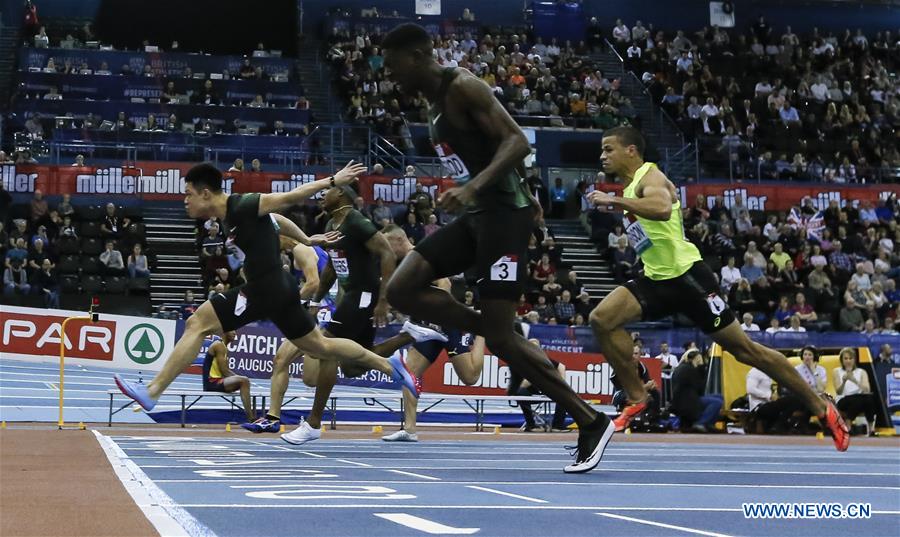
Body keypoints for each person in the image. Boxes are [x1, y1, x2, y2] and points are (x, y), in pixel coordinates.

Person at [381, 23, 613, 473]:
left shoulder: (462, 85)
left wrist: (475, 190)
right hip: (480, 215)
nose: (390, 76)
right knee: (403, 287)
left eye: (393, 66)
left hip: (502, 215)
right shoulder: (432, 103)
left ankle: (591, 420)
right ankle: (488, 326)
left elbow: (516, 141)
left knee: (503, 337)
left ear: (415, 56)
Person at [585, 125, 849, 451]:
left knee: (746, 350)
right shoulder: (628, 188)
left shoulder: (649, 176)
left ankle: (821, 407)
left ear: (631, 150)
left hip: (689, 280)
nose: (602, 155)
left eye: (608, 149)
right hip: (656, 280)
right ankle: (637, 396)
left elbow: (663, 207)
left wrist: (613, 200)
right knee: (601, 319)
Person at [113, 162, 419, 412]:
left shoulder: (242, 204)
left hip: (265, 288)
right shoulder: (230, 217)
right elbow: (276, 220)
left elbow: (286, 199)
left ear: (205, 193)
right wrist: (307, 239)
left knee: (197, 323)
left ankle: (153, 391)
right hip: (278, 289)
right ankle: (390, 365)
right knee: (321, 346)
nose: (185, 200)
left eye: (188, 194)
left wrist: (331, 180)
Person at [276, 186, 445, 444]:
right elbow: (334, 265)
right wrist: (317, 298)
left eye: (328, 192)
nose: (322, 196)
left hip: (363, 295)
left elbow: (387, 251)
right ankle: (406, 336)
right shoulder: (334, 222)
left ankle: (313, 423)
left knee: (325, 348)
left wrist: (383, 300)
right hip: (352, 295)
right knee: (352, 366)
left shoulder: (356, 220)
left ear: (342, 195)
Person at [380, 225, 486, 442]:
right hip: (427, 327)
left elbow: (444, 283)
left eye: (388, 245)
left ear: (399, 240)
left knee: (470, 377)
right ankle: (409, 429)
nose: (386, 251)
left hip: (445, 323)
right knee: (409, 371)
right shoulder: (402, 262)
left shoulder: (418, 257)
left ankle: (483, 330)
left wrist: (437, 317)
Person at [509, 337, 570, 432]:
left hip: (546, 390)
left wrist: (562, 384)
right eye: (531, 347)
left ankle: (557, 426)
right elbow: (521, 385)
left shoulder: (543, 359)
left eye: (536, 347)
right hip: (530, 392)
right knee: (520, 393)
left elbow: (561, 366)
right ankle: (531, 425)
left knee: (565, 393)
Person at [200, 331, 255, 423]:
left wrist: (238, 378)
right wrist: (240, 378)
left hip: (218, 380)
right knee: (244, 381)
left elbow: (226, 371)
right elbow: (224, 371)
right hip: (211, 382)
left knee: (244, 382)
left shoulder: (224, 347)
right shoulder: (219, 345)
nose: (235, 333)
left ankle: (252, 418)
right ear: (225, 332)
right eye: (232, 331)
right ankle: (251, 419)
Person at [671, 349, 723, 432]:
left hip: (686, 398)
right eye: (699, 359)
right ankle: (701, 423)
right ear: (694, 359)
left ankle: (709, 424)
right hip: (688, 401)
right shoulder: (689, 370)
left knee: (719, 396)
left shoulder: (683, 368)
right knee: (717, 402)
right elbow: (700, 388)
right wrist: (701, 367)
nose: (700, 361)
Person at [833, 347, 878, 436]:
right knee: (859, 400)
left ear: (854, 360)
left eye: (850, 358)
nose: (848, 361)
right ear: (842, 360)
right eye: (845, 358)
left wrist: (854, 380)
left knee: (869, 399)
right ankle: (848, 426)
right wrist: (844, 381)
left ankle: (871, 430)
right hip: (843, 399)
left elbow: (867, 389)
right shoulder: (837, 371)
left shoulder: (861, 372)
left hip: (860, 399)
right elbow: (838, 392)